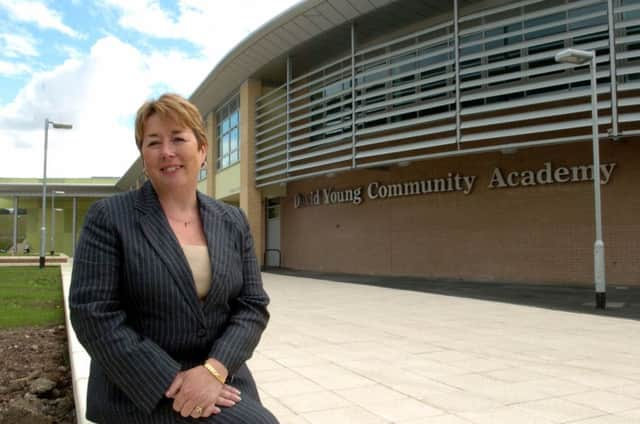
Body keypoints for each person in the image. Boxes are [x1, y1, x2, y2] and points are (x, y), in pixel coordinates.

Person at [69, 93, 279, 423]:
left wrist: (214, 369)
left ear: (203, 150)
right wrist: (176, 382)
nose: (167, 151)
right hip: (142, 385)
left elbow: (252, 304)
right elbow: (92, 313)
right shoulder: (109, 217)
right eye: (153, 142)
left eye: (178, 138)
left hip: (217, 374)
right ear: (143, 155)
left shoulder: (232, 220)